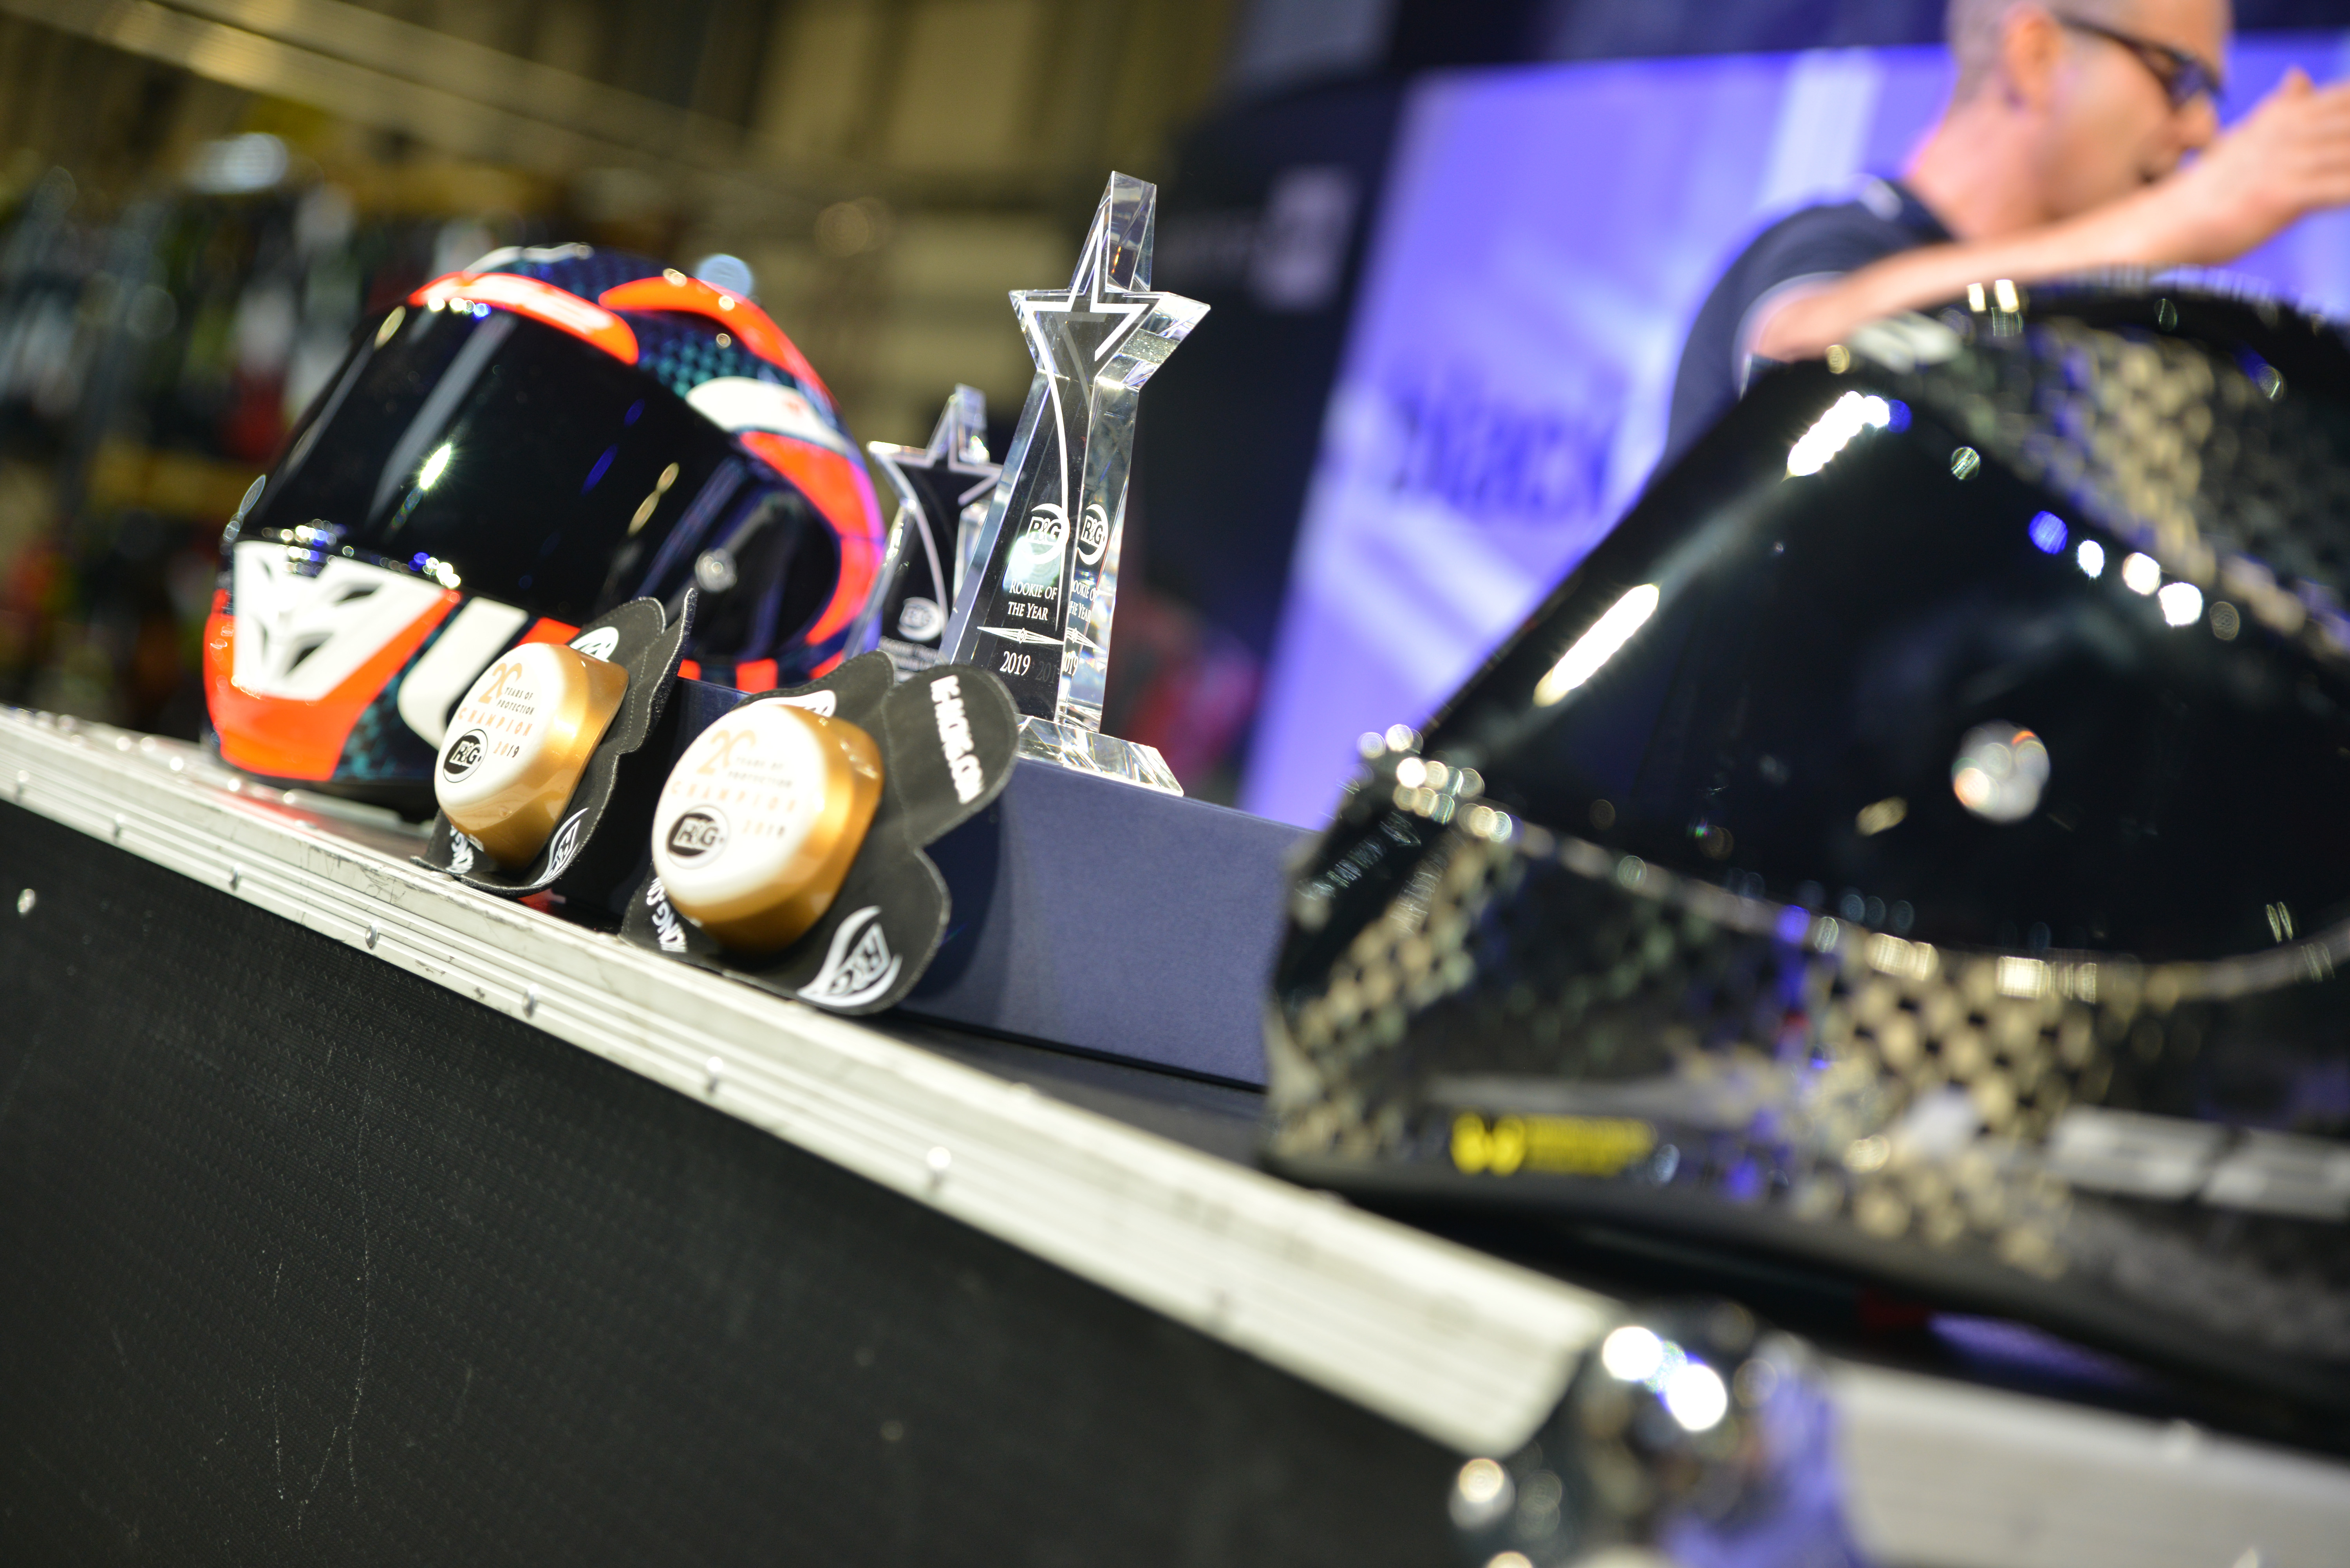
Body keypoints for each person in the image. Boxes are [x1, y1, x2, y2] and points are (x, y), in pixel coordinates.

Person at [1663, 0, 2350, 464]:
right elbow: (1805, 352)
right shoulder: (1839, 242)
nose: (2203, 132)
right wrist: (2176, 221)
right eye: (2180, 80)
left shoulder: (2055, 345)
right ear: (2035, 56)